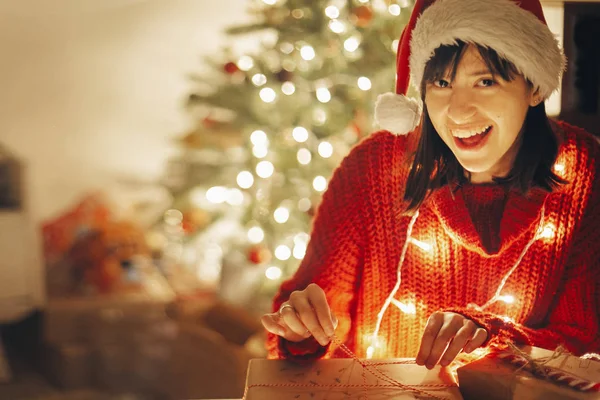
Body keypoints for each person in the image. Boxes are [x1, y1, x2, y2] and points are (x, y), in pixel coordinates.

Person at [261, 0, 600, 369]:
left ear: (534, 86)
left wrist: (494, 337)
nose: (457, 110)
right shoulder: (373, 169)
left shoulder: (582, 170)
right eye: (441, 82)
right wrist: (300, 329)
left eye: (485, 81)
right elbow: (305, 328)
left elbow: (582, 346)